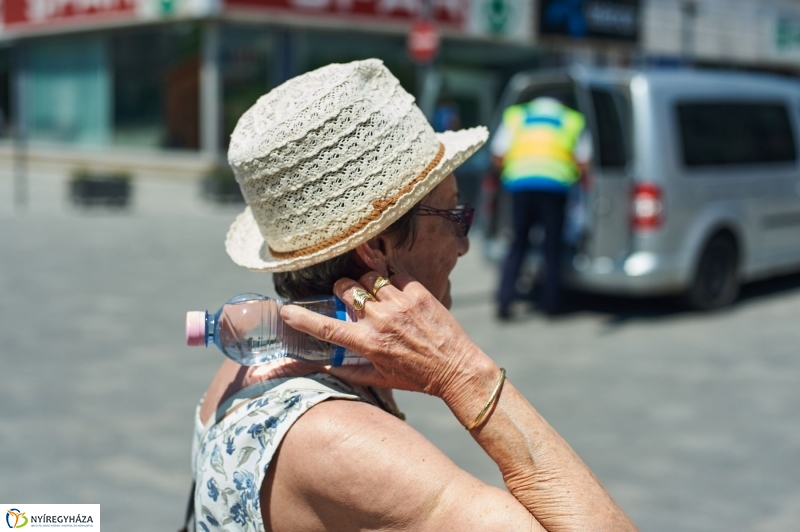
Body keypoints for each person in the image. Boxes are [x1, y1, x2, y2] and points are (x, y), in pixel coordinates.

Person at [188, 59, 635, 532]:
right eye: (454, 217)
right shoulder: (340, 444)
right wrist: (462, 373)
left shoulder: (248, 362)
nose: (464, 245)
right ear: (378, 249)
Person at [492, 96, 592, 318]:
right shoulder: (572, 120)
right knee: (552, 245)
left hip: (521, 185)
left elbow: (498, 156)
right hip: (555, 186)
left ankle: (505, 301)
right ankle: (551, 304)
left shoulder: (516, 115)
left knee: (518, 242)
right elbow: (584, 162)